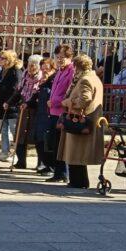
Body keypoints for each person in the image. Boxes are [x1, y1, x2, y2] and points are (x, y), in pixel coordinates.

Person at [57, 54, 105, 190]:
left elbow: (85, 100)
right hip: (87, 119)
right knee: (78, 154)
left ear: (77, 67)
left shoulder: (85, 80)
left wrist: (68, 102)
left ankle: (77, 182)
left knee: (76, 154)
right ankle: (80, 181)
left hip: (79, 119)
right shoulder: (93, 77)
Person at [6, 54, 43, 169]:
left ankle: (41, 163)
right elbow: (19, 91)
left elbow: (38, 94)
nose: (31, 68)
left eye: (34, 65)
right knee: (20, 137)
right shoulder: (25, 75)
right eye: (30, 64)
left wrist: (30, 103)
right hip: (23, 109)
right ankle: (21, 161)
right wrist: (9, 102)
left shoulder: (42, 77)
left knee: (37, 138)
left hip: (35, 111)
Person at [46, 44, 76, 183]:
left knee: (61, 143)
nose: (59, 60)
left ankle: (63, 172)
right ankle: (57, 172)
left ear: (70, 58)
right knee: (54, 143)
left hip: (62, 111)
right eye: (57, 57)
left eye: (62, 57)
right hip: (53, 111)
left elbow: (69, 93)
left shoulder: (71, 72)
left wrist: (55, 101)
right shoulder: (59, 71)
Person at [0, 49, 24, 162]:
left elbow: (17, 89)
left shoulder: (16, 71)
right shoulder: (3, 70)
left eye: (2, 58)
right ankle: (4, 152)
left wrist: (9, 101)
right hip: (3, 104)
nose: (0, 60)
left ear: (9, 59)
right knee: (3, 130)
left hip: (12, 106)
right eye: (0, 57)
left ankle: (16, 153)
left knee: (13, 130)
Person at [31, 58, 57, 176]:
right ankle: (46, 164)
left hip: (49, 115)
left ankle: (51, 166)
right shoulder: (43, 82)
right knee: (38, 140)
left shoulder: (54, 81)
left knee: (47, 142)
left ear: (53, 69)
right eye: (43, 70)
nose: (45, 72)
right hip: (40, 114)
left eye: (47, 69)